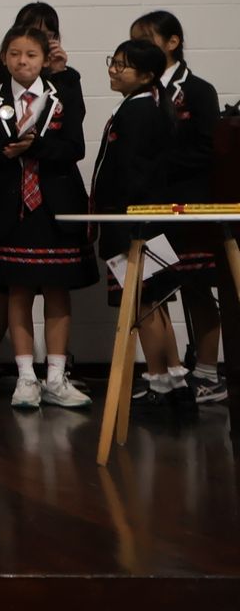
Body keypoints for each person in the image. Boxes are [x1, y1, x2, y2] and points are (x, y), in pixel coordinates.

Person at [0, 25, 95, 411]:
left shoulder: (64, 96)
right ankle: (25, 376)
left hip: (56, 205)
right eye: (15, 54)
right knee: (17, 290)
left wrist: (38, 146)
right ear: (4, 57)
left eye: (31, 55)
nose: (23, 61)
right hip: (11, 205)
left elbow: (75, 148)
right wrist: (4, 152)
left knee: (57, 289)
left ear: (44, 60)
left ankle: (55, 376)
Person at [90, 38, 195, 415]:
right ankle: (175, 379)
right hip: (145, 219)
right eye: (113, 62)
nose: (114, 70)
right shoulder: (143, 106)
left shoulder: (137, 112)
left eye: (123, 65)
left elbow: (129, 173)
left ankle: (157, 383)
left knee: (145, 303)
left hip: (135, 224)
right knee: (157, 303)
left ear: (147, 75)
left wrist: (118, 215)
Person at [130, 10, 226, 405]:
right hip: (150, 206)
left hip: (191, 204)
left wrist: (158, 165)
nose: (138, 49)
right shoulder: (140, 91)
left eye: (146, 40)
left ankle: (207, 371)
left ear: (172, 43)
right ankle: (167, 375)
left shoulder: (199, 90)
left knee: (199, 286)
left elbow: (208, 151)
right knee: (155, 289)